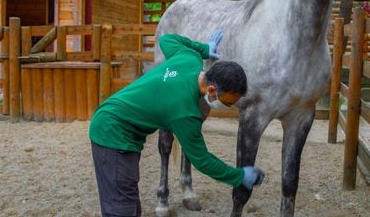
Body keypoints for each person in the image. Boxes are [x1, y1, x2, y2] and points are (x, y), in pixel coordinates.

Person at [89, 30, 265, 217]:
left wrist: (204, 48)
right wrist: (238, 176)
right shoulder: (186, 113)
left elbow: (167, 39)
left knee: (128, 200)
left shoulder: (190, 58)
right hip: (113, 132)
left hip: (122, 126)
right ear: (212, 89)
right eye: (228, 102)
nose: (229, 106)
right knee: (121, 209)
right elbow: (202, 160)